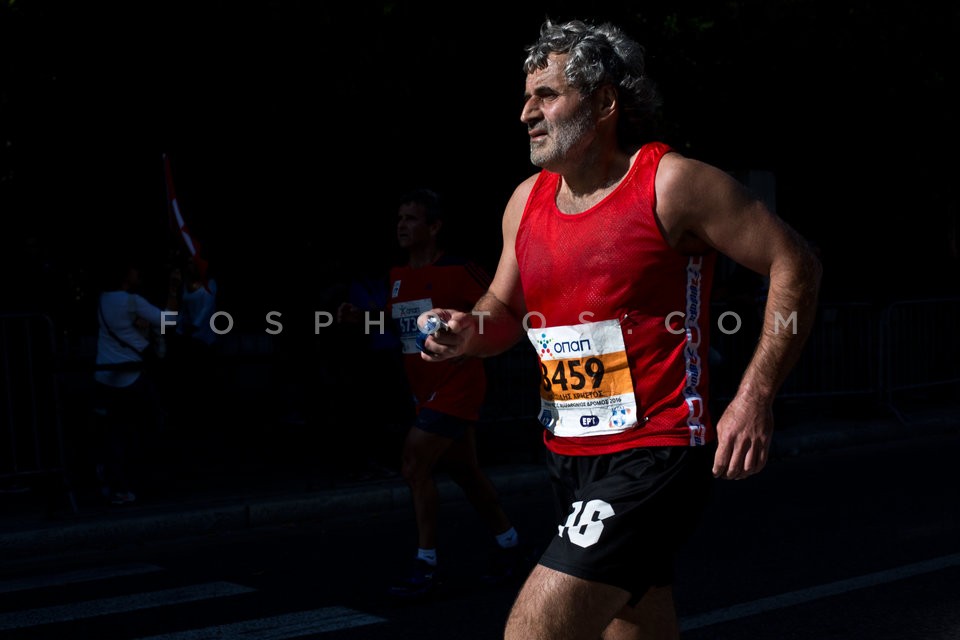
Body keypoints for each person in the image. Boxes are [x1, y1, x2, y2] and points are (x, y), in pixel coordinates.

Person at [417, 18, 822, 639]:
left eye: (547, 94)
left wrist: (754, 396)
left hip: (656, 449)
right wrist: (464, 332)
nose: (527, 111)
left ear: (605, 101)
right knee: (634, 624)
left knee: (535, 631)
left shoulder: (671, 183)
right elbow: (501, 314)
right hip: (569, 454)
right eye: (526, 97)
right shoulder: (526, 200)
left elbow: (795, 262)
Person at [337, 188, 531, 598]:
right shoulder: (397, 276)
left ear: (434, 226)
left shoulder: (460, 271)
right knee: (465, 472)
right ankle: (510, 545)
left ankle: (426, 565)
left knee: (413, 464)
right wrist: (363, 320)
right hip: (422, 391)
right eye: (399, 219)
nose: (402, 226)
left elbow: (501, 310)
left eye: (411, 218)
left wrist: (474, 338)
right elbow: (400, 328)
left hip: (458, 386)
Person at [92, 258, 180, 505]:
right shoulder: (132, 302)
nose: (137, 272)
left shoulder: (102, 300)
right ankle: (141, 479)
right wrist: (173, 291)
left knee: (113, 431)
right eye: (133, 269)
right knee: (149, 423)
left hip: (104, 374)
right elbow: (168, 321)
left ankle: (113, 480)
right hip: (131, 375)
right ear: (124, 275)